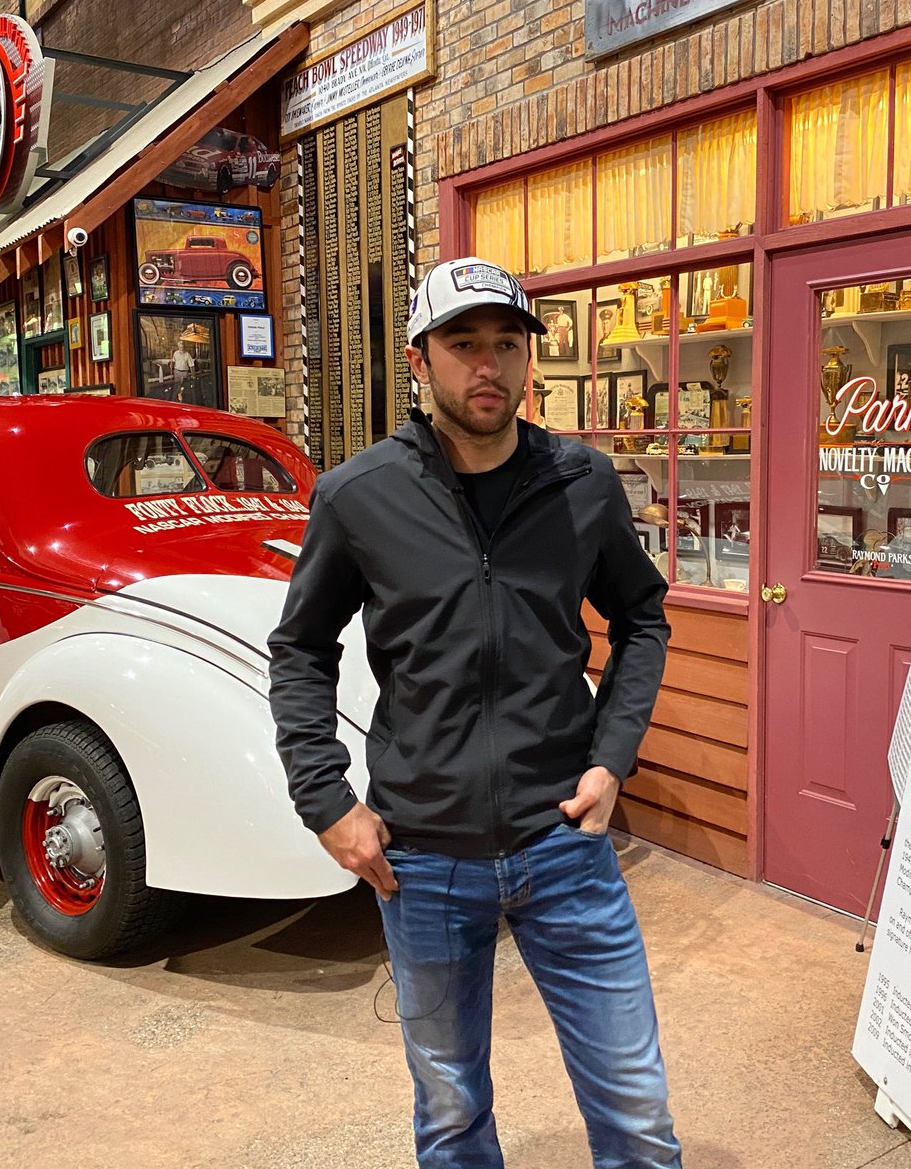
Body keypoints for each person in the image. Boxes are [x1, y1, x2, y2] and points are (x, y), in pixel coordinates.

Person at [268, 256, 681, 1169]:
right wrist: (327, 802)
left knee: (638, 1112)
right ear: (420, 361)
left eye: (507, 343)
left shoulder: (583, 484)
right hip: (421, 859)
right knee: (451, 1114)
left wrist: (613, 756)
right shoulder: (359, 496)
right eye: (463, 345)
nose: (488, 365)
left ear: (531, 358)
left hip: (565, 841)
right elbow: (300, 648)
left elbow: (642, 617)